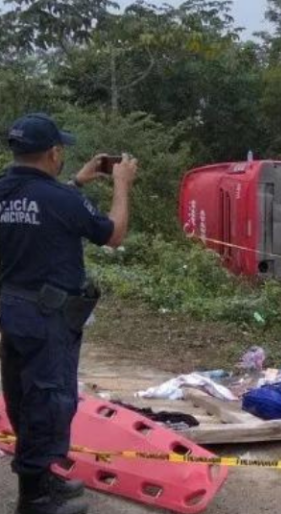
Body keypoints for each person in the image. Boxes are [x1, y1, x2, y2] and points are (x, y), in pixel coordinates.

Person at [0, 113, 137, 514]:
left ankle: (42, 480)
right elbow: (113, 233)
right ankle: (37, 499)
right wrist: (121, 185)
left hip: (11, 311)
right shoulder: (61, 200)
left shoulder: (6, 191)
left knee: (23, 396)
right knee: (50, 399)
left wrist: (77, 182)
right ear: (54, 152)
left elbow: (39, 210)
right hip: (47, 317)